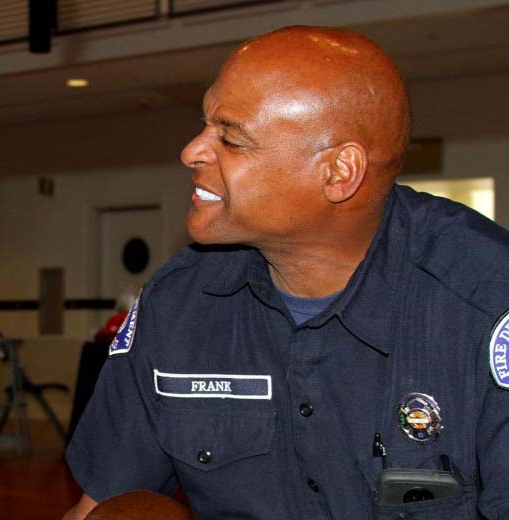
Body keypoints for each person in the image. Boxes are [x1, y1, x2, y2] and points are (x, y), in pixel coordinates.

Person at [64, 26, 508, 520]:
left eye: (231, 138)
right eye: (205, 125)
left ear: (339, 172)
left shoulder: (484, 302)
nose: (192, 151)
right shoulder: (181, 303)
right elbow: (99, 503)